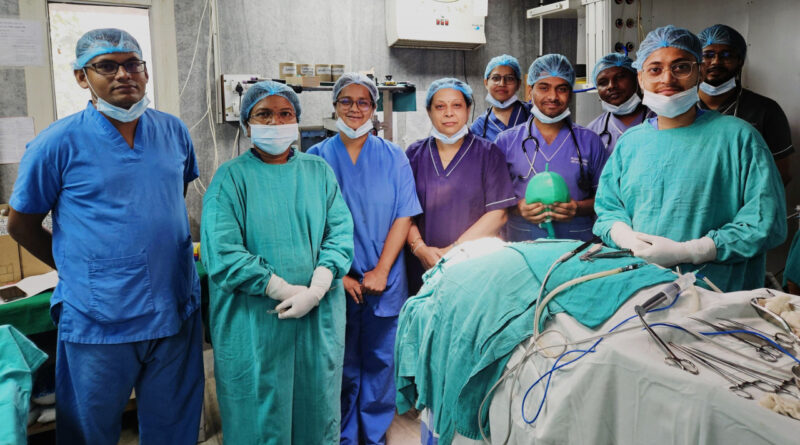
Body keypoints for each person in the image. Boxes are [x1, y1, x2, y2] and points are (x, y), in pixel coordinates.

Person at [7, 28, 203, 444]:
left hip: (173, 307)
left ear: (145, 72)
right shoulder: (56, 144)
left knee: (174, 427)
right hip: (99, 318)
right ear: (82, 77)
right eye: (106, 66)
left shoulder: (173, 132)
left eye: (132, 64)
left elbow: (168, 199)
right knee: (89, 432)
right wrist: (77, 267)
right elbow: (20, 225)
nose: (123, 74)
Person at [200, 81, 354, 443]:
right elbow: (222, 252)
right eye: (264, 114)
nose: (276, 122)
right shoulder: (230, 178)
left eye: (285, 114)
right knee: (260, 417)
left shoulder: (318, 172)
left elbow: (340, 234)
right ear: (246, 124)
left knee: (316, 410)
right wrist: (280, 288)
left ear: (296, 120)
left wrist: (317, 287)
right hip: (256, 326)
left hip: (318, 320)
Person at [594, 25, 786, 292]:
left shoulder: (739, 138)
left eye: (681, 67)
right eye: (655, 69)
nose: (667, 79)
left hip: (719, 295)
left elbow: (766, 220)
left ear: (699, 72)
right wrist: (623, 235)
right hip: (642, 289)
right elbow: (608, 208)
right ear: (641, 77)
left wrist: (692, 251)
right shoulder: (630, 143)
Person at [307, 73, 421, 445]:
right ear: (334, 106)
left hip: (383, 281)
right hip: (334, 280)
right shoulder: (315, 159)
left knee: (380, 365)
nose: (354, 109)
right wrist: (338, 275)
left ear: (373, 108)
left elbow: (404, 215)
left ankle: (372, 437)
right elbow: (311, 226)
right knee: (338, 366)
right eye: (346, 101)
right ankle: (340, 438)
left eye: (363, 102)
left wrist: (382, 270)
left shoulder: (394, 157)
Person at [405, 78, 516, 292]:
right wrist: (420, 249)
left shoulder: (488, 154)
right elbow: (403, 213)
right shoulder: (414, 155)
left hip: (473, 264)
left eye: (456, 105)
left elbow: (498, 214)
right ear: (429, 112)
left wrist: (453, 251)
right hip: (423, 265)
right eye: (440, 106)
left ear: (468, 109)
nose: (449, 113)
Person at [495, 54, 608, 242]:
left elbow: (607, 199)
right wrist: (517, 207)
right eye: (544, 87)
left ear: (570, 93)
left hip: (577, 246)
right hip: (522, 243)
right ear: (529, 91)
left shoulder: (590, 141)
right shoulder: (505, 142)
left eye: (561, 89)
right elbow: (492, 199)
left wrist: (578, 208)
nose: (553, 97)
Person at [697, 24, 794, 186]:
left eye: (726, 55)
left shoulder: (766, 110)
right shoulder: (682, 107)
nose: (716, 61)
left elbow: (781, 174)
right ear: (695, 61)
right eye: (707, 55)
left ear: (740, 61)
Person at [586, 53, 652, 152]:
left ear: (638, 79)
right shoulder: (593, 131)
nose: (611, 86)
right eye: (603, 83)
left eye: (620, 77)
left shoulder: (662, 118)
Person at [469, 54, 531, 141]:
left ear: (518, 84)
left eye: (509, 78)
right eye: (495, 78)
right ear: (486, 83)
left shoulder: (532, 113)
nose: (502, 84)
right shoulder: (479, 127)